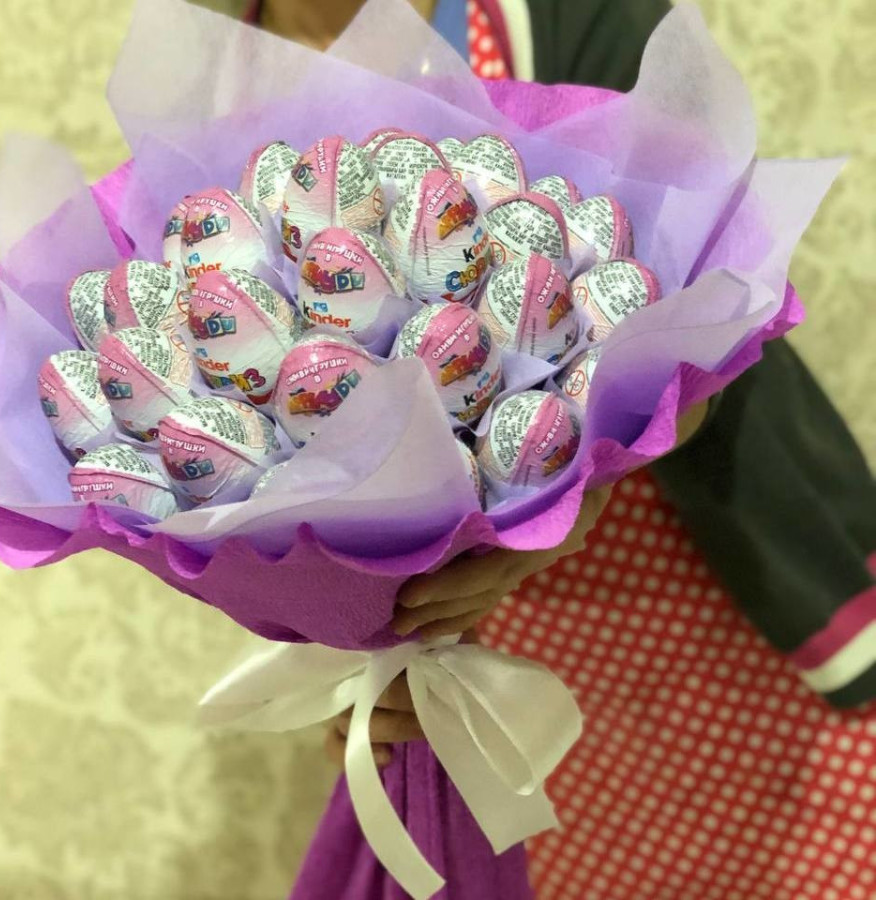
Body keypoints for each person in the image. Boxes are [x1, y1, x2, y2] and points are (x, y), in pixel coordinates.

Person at [219, 1, 876, 897]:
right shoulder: (226, 83)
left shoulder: (562, 16)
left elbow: (712, 301)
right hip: (493, 645)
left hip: (699, 566)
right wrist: (349, 642)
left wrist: (578, 494)